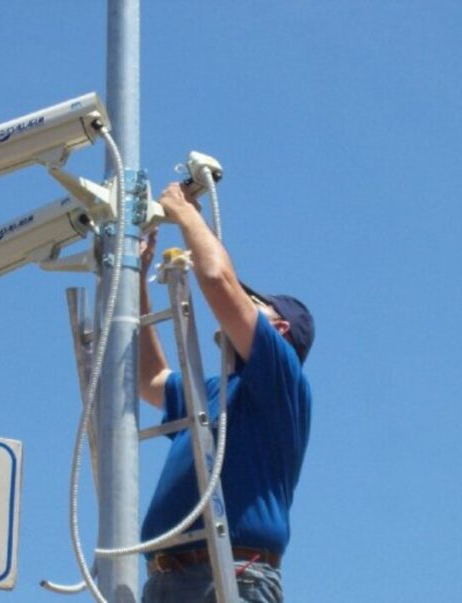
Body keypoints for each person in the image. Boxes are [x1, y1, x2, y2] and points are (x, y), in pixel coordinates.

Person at [137, 182, 314, 603]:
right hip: (169, 580)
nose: (239, 303)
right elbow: (150, 381)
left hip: (233, 576)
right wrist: (138, 279)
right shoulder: (214, 390)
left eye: (252, 301)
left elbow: (217, 279)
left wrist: (184, 212)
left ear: (280, 329)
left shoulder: (278, 376)